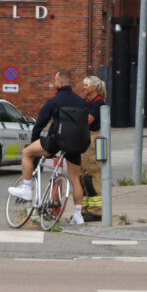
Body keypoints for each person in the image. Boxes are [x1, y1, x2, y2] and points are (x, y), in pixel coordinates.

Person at [9, 69, 90, 224]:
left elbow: (39, 125)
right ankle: (78, 215)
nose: (54, 83)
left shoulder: (54, 101)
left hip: (56, 141)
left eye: (55, 80)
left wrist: (34, 142)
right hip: (75, 143)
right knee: (75, 179)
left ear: (60, 82)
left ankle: (27, 189)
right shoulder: (81, 102)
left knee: (27, 153)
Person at [78, 75, 106, 219]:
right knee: (82, 176)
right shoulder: (86, 102)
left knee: (92, 176)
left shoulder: (99, 103)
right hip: (84, 139)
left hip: (93, 140)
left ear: (94, 87)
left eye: (86, 85)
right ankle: (85, 209)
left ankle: (96, 211)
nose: (83, 87)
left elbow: (86, 120)